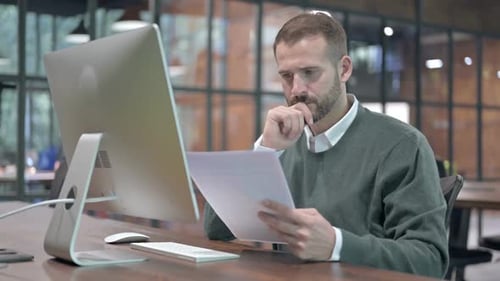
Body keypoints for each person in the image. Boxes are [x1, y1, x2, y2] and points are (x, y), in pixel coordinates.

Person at [203, 12, 448, 278]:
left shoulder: (402, 145)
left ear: (344, 69)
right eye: (286, 76)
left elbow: (430, 261)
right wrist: (265, 151)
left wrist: (336, 245)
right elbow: (216, 229)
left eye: (309, 73)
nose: (297, 89)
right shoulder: (282, 142)